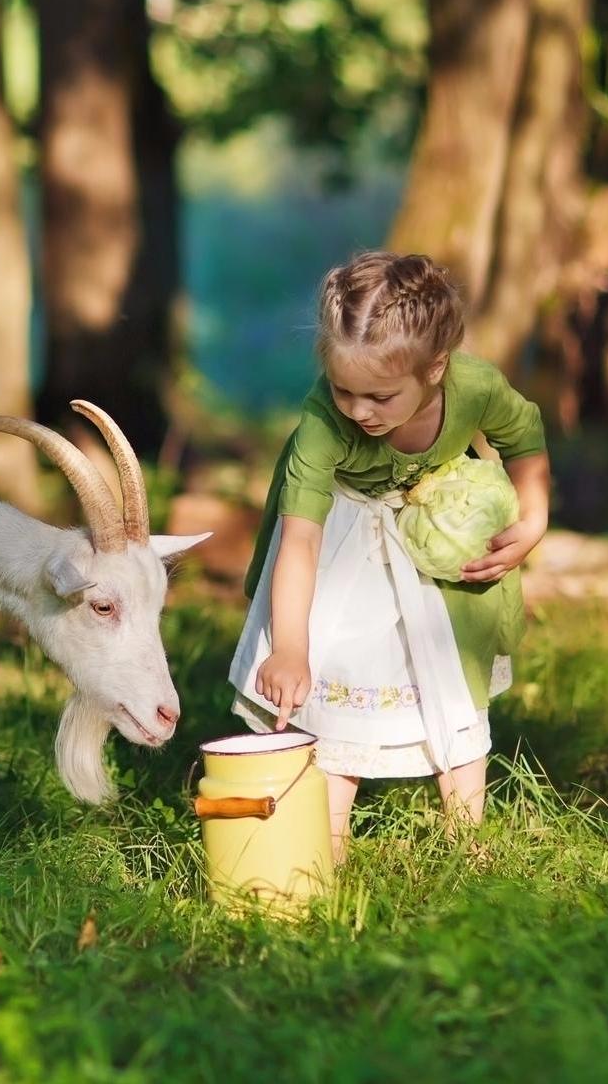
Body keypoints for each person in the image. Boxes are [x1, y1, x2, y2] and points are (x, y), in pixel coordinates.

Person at [228, 251, 550, 863]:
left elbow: (525, 437)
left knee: (451, 682)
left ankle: (467, 846)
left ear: (435, 368)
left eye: (378, 395)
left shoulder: (475, 387)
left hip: (434, 531)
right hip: (341, 542)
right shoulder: (325, 421)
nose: (358, 409)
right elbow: (300, 537)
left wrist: (532, 519)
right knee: (336, 687)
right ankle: (326, 849)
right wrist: (290, 645)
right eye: (344, 390)